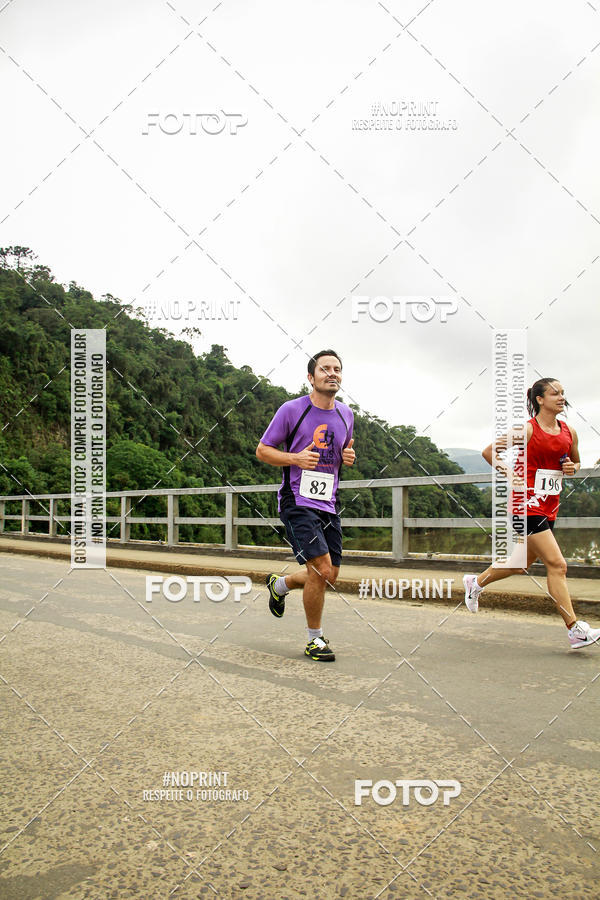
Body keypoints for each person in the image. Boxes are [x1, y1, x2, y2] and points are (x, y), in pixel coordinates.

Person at [463, 377, 600, 649]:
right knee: (558, 565)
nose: (561, 398)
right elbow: (489, 452)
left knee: (520, 564)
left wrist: (571, 468)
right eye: (555, 393)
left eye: (563, 393)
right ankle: (575, 630)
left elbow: (575, 462)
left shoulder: (569, 432)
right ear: (540, 399)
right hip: (524, 505)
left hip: (549, 505)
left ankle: (475, 583)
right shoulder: (526, 430)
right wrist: (510, 473)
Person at [256, 350, 355, 661]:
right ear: (311, 378)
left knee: (329, 575)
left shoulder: (346, 415)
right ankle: (315, 639)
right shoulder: (292, 410)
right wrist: (295, 458)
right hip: (296, 499)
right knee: (321, 569)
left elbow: (339, 454)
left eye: (337, 369)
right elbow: (263, 450)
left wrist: (347, 457)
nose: (332, 373)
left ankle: (280, 585)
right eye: (325, 369)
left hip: (328, 503)